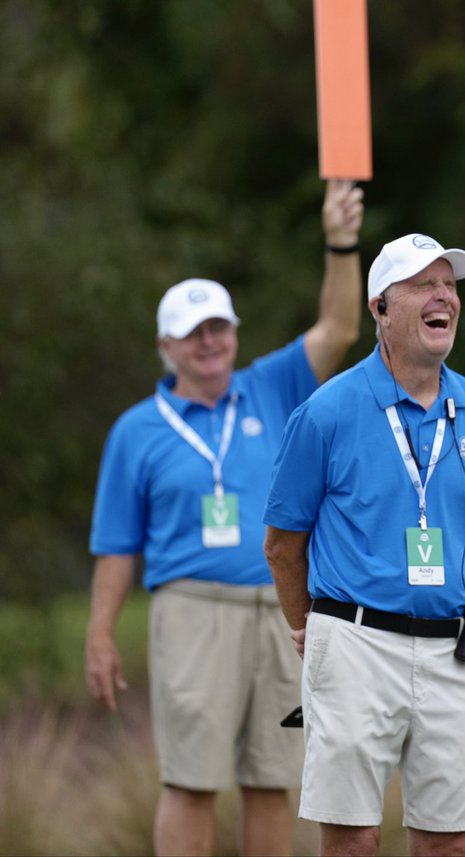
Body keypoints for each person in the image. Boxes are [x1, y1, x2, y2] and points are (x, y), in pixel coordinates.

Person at [86, 180, 365, 857]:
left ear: (234, 332)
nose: (209, 342)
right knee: (191, 778)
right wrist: (100, 632)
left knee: (272, 778)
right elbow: (118, 546)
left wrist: (339, 241)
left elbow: (341, 328)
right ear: (167, 345)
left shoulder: (272, 384)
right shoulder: (137, 429)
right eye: (192, 333)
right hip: (190, 611)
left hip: (281, 609)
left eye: (218, 327)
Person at [262, 233, 465, 857]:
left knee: (451, 843)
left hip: (455, 648)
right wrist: (305, 626)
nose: (443, 296)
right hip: (354, 642)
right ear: (380, 308)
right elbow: (282, 545)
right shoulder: (326, 411)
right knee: (354, 840)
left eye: (450, 285)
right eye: (424, 285)